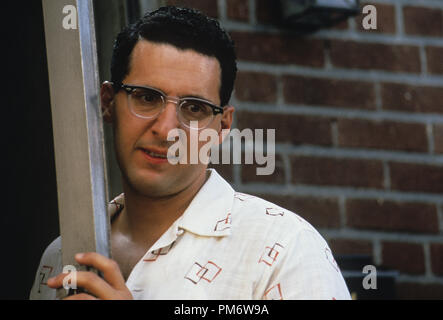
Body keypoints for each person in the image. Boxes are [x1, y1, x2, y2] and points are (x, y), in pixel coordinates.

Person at [30, 6, 351, 300]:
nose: (167, 130)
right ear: (108, 102)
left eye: (194, 108)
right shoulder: (59, 256)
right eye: (146, 98)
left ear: (222, 126)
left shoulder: (284, 247)